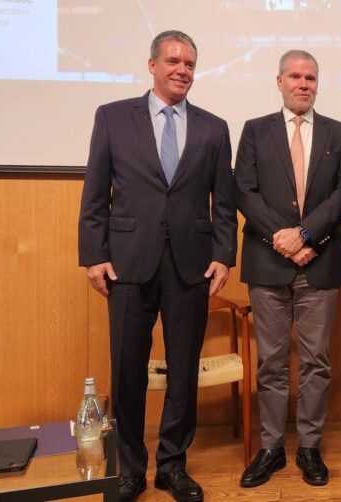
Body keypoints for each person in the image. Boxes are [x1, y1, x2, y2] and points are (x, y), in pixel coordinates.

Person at [78, 30, 237, 502]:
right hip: (127, 264)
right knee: (127, 369)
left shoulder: (214, 127)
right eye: (173, 61)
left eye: (189, 64)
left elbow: (224, 203)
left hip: (192, 266)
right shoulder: (112, 117)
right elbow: (95, 193)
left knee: (184, 370)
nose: (182, 70)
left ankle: (172, 465)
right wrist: (94, 255)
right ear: (152, 65)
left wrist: (223, 255)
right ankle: (130, 469)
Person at [233, 49, 341, 488]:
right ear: (279, 82)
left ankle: (309, 447)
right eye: (295, 77)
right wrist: (283, 241)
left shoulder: (340, 133)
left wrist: (305, 236)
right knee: (271, 362)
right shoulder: (255, 130)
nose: (303, 84)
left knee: (316, 362)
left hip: (319, 263)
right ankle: (270, 448)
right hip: (268, 264)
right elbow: (244, 192)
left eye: (310, 78)